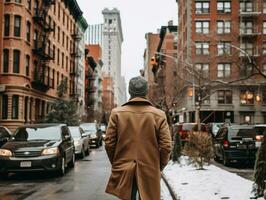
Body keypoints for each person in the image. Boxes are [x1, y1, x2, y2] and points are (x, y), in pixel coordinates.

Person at [105, 76, 172, 200]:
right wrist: (158, 166)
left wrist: (117, 164)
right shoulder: (159, 115)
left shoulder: (117, 113)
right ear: (146, 91)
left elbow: (109, 143)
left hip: (124, 171)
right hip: (150, 170)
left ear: (130, 91)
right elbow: (166, 146)